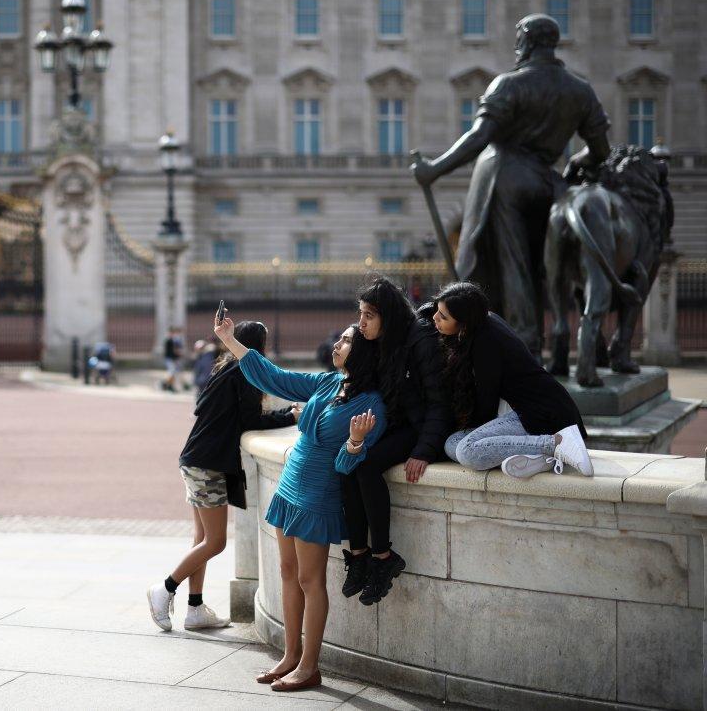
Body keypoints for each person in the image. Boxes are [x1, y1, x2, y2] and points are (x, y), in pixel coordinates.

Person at [411, 14, 611, 357]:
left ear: (529, 42)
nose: (516, 45)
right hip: (549, 183)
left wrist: (434, 169)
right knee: (542, 266)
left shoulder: (509, 84)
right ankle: (557, 340)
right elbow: (601, 150)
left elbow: (480, 137)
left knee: (511, 264)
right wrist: (577, 162)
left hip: (504, 176)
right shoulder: (580, 90)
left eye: (519, 39)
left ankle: (525, 344)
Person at [219, 319, 386, 692]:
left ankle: (310, 666)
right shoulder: (329, 382)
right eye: (339, 337)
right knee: (287, 571)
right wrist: (230, 340)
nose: (336, 343)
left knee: (311, 581)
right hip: (291, 484)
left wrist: (356, 442)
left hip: (318, 493)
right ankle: (290, 656)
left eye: (345, 340)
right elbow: (276, 377)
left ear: (364, 353)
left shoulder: (372, 403)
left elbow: (347, 466)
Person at [147, 321, 298, 633]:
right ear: (260, 347)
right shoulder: (245, 371)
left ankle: (195, 609)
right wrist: (290, 415)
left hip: (194, 458)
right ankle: (164, 589)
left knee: (201, 539)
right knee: (214, 542)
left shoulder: (225, 369)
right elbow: (249, 420)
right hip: (208, 464)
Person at [341, 277, 452, 606]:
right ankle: (360, 555)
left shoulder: (419, 340)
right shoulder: (378, 341)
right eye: (360, 314)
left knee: (368, 465)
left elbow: (439, 403)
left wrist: (423, 451)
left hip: (419, 428)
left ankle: (384, 557)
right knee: (347, 462)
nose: (360, 324)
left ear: (386, 316)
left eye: (368, 316)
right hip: (395, 423)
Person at [430, 282, 593, 479]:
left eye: (443, 316)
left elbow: (486, 404)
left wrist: (479, 438)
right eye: (437, 311)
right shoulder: (483, 322)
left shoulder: (485, 341)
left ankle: (556, 444)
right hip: (523, 411)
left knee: (467, 451)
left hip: (543, 414)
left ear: (464, 323)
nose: (435, 318)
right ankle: (541, 457)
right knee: (452, 443)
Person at [161, 327, 186, 392]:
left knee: (173, 373)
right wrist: (179, 353)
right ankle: (165, 385)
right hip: (170, 359)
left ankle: (169, 385)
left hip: (172, 359)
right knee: (172, 373)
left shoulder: (172, 340)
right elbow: (173, 351)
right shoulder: (169, 341)